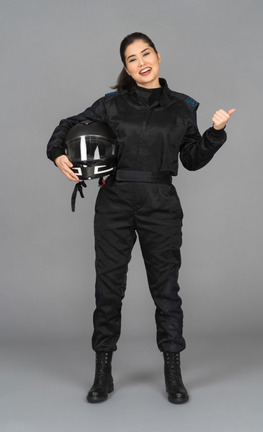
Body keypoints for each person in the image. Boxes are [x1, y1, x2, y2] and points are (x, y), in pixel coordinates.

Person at [47, 32, 235, 404]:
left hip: (160, 204)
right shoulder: (111, 105)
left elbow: (192, 160)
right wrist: (57, 154)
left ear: (158, 56)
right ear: (127, 68)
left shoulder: (183, 107)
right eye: (132, 59)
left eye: (145, 54)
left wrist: (215, 133)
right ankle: (103, 373)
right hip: (114, 202)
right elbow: (67, 124)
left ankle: (173, 374)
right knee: (108, 290)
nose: (141, 62)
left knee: (166, 291)